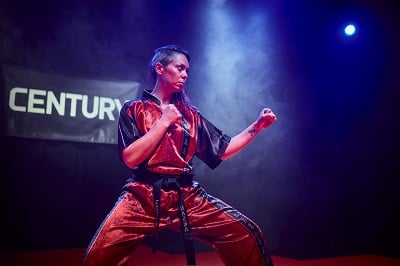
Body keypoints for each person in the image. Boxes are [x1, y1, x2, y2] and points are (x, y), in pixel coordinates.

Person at [81, 44, 277, 266]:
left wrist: (257, 126)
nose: (185, 75)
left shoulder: (190, 115)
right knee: (96, 259)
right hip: (141, 197)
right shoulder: (133, 108)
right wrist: (163, 122)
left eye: (187, 71)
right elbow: (130, 158)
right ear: (160, 68)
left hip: (186, 195)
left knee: (246, 234)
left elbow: (223, 150)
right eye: (180, 68)